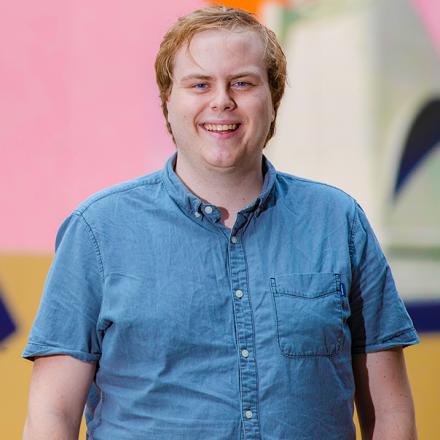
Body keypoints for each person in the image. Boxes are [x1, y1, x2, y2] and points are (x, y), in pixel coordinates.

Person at [23, 6, 419, 440]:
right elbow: (52, 414)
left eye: (243, 83)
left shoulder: (338, 221)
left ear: (274, 99)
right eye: (199, 84)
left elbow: (390, 414)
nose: (221, 101)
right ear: (167, 102)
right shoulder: (98, 231)